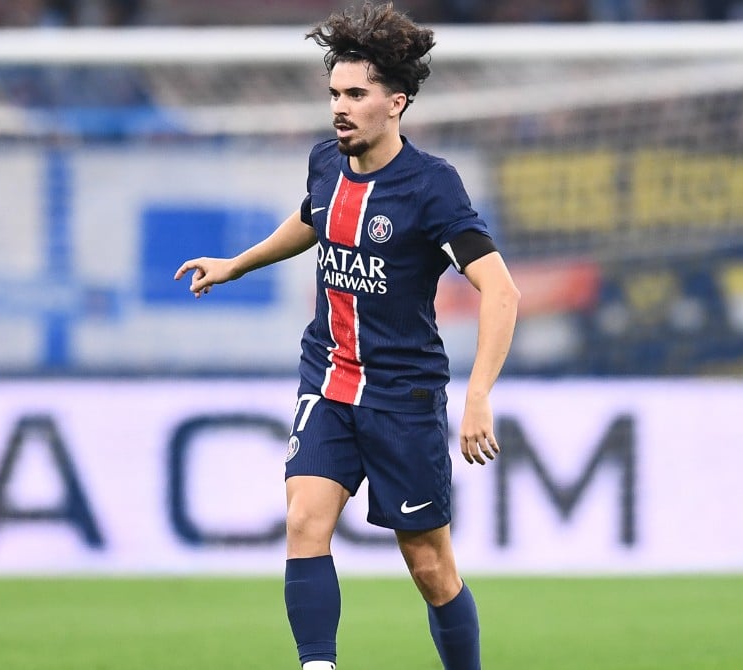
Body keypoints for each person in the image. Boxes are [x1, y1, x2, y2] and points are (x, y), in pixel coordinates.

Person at [174, 3, 519, 668]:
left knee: (430, 565)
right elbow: (313, 219)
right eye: (335, 93)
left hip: (402, 396)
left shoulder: (432, 187)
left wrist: (479, 395)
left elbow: (502, 291)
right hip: (328, 377)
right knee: (304, 520)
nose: (340, 107)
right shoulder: (325, 164)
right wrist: (237, 263)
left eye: (357, 95)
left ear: (396, 103)